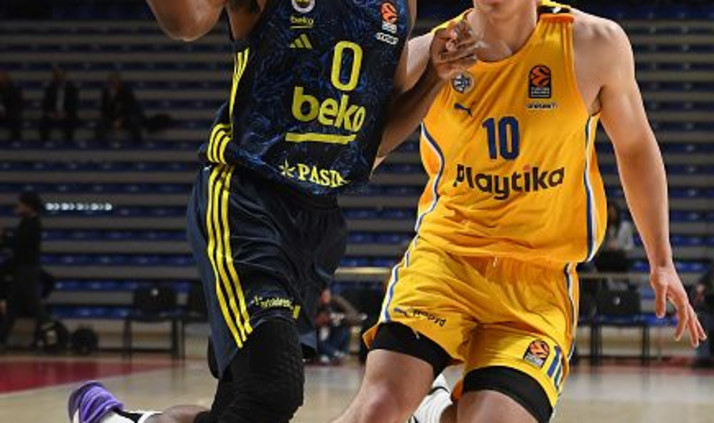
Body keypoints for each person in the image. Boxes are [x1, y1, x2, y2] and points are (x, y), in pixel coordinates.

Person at [67, 1, 478, 423]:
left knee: (246, 407)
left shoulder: (398, 5)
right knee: (273, 389)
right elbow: (186, 22)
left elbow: (371, 142)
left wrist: (433, 78)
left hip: (318, 221)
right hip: (248, 202)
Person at [333, 2, 705, 423]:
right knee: (378, 407)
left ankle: (434, 412)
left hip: (538, 280)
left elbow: (635, 146)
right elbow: (363, 155)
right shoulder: (428, 52)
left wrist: (662, 260)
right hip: (445, 260)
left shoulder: (592, 44)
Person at [0, 192, 44, 349]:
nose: (18, 207)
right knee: (12, 307)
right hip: (21, 269)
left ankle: (51, 336)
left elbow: (18, 245)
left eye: (21, 204)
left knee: (35, 307)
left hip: (27, 270)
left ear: (29, 206)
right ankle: (1, 339)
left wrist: (3, 237)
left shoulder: (33, 224)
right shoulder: (25, 222)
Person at [315, 288, 365, 365]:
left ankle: (338, 354)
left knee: (346, 329)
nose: (324, 297)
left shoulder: (336, 300)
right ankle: (335, 354)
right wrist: (317, 321)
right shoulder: (314, 303)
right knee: (311, 337)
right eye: (322, 295)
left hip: (334, 334)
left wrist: (338, 317)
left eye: (326, 294)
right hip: (319, 336)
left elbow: (356, 317)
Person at [95, 72, 144, 143]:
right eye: (111, 82)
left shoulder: (127, 92)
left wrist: (120, 120)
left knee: (134, 121)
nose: (113, 85)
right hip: (111, 117)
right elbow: (104, 108)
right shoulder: (105, 92)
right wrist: (103, 115)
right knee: (101, 123)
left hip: (125, 117)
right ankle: (99, 143)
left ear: (119, 83)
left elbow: (129, 109)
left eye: (115, 82)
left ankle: (138, 142)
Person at [40, 67, 79, 142]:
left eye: (61, 75)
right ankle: (45, 143)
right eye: (57, 76)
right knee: (43, 122)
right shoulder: (49, 88)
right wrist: (51, 113)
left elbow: (74, 105)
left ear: (65, 76)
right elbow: (45, 104)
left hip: (67, 114)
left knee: (71, 120)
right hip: (53, 114)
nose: (59, 78)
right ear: (54, 77)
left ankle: (69, 142)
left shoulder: (72, 89)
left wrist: (65, 113)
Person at [594, 201, 635, 273]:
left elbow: (630, 246)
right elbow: (599, 247)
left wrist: (618, 247)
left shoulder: (625, 226)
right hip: (606, 256)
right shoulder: (603, 227)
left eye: (613, 212)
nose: (611, 214)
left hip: (620, 256)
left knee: (620, 260)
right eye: (610, 212)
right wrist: (607, 247)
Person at [0, 71, 24, 141]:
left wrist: (6, 112)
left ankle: (16, 140)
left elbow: (19, 105)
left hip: (10, 114)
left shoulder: (14, 90)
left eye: (2, 82)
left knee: (16, 119)